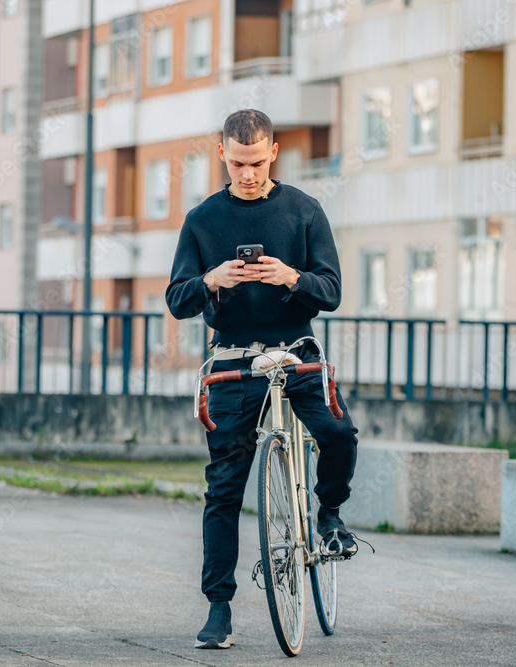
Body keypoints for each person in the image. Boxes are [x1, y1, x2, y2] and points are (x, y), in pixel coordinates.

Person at [165, 109, 360, 650]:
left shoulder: (303, 211)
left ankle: (330, 515)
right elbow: (177, 300)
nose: (247, 173)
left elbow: (332, 291)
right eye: (237, 162)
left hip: (297, 355)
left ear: (273, 152)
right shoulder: (203, 219)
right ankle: (219, 609)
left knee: (340, 433)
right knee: (223, 489)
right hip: (232, 363)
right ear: (222, 154)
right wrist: (210, 279)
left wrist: (292, 277)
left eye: (256, 162)